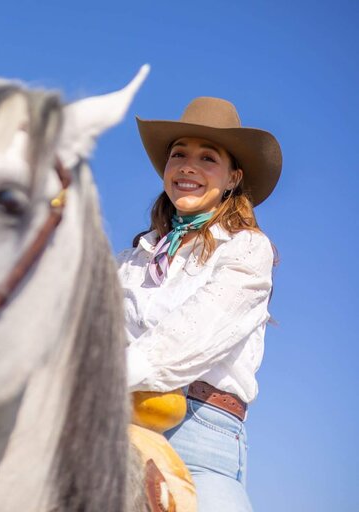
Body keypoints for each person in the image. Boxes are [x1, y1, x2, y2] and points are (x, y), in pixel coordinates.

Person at [117, 96, 282, 511]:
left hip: (202, 436)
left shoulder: (247, 251)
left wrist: (99, 374)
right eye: (179, 155)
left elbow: (194, 334)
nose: (188, 166)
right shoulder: (131, 260)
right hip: (115, 423)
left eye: (207, 158)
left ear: (232, 178)